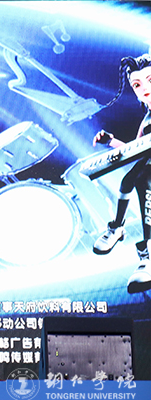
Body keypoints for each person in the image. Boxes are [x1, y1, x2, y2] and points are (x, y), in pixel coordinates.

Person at [91, 54, 151, 294]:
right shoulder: (147, 120)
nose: (144, 88)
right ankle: (117, 228)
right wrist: (110, 141)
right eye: (137, 85)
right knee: (129, 180)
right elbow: (134, 149)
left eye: (150, 80)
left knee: (144, 180)